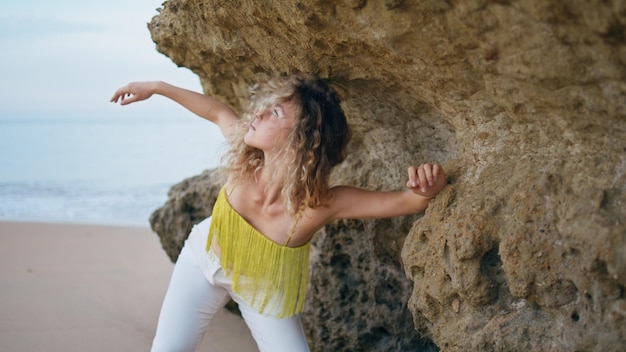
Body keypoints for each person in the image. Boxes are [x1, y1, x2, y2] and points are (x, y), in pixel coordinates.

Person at [110, 73, 446, 352]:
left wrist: (424, 189)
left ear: (303, 139)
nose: (257, 114)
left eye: (275, 113)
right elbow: (216, 111)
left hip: (264, 290)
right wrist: (156, 87)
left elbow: (407, 202)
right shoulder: (243, 163)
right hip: (202, 259)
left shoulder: (321, 204)